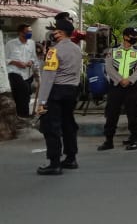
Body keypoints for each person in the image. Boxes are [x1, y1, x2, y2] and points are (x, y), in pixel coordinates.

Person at [36, 17, 82, 175]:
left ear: (61, 33)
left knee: (51, 127)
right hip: (71, 91)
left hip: (55, 92)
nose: (53, 33)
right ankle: (71, 158)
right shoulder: (77, 49)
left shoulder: (54, 51)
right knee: (68, 124)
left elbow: (48, 77)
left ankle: (54, 163)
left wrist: (41, 102)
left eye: (55, 31)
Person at [99, 28, 137, 151]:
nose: (135, 38)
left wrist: (129, 80)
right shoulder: (113, 50)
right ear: (125, 36)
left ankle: (135, 139)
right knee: (111, 114)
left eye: (136, 36)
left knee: (133, 114)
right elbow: (108, 67)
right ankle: (108, 141)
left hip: (131, 87)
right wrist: (120, 80)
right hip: (116, 87)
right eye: (132, 35)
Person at [6, 23, 37, 118]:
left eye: (30, 32)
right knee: (24, 91)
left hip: (28, 74)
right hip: (14, 72)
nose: (29, 34)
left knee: (25, 95)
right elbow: (4, 58)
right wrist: (16, 62)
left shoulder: (31, 43)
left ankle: (20, 116)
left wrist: (31, 62)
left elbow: (33, 57)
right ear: (20, 33)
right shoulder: (10, 44)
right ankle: (24, 115)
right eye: (27, 32)